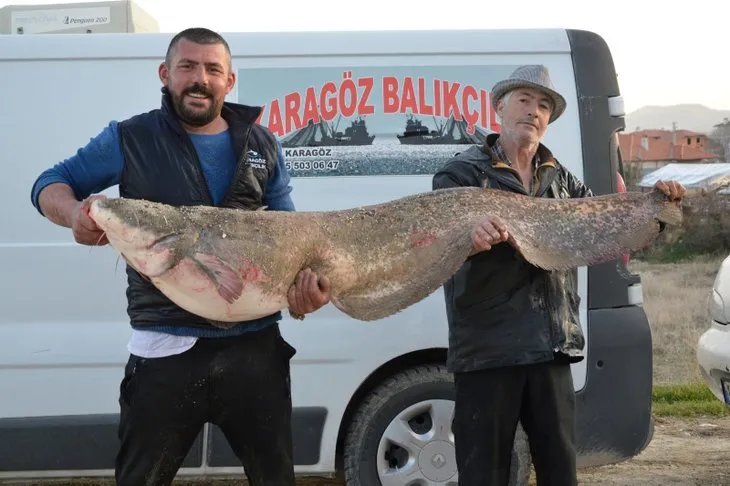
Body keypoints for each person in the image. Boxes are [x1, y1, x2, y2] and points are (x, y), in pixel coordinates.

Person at [29, 27, 331, 486]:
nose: (199, 79)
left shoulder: (263, 145)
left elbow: (290, 235)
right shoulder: (128, 138)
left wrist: (302, 293)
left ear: (229, 82)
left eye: (213, 69)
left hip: (255, 350)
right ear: (165, 74)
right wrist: (73, 213)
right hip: (164, 349)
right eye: (187, 66)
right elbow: (51, 182)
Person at [431, 65, 685, 485]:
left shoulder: (562, 180)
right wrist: (468, 239)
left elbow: (607, 230)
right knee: (483, 474)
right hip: (488, 352)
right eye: (524, 101)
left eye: (544, 105)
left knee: (559, 472)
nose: (534, 111)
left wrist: (658, 212)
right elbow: (435, 248)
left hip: (551, 347)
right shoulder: (460, 175)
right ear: (499, 108)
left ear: (548, 120)